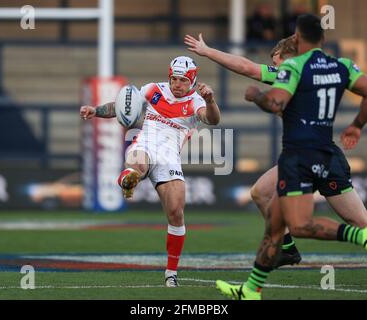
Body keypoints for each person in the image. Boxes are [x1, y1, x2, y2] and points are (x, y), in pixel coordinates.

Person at [216, 14, 367, 300]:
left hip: (301, 156)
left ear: (297, 39)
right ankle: (251, 289)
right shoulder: (342, 66)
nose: (274, 67)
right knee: (273, 219)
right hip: (325, 153)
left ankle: (359, 237)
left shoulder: (294, 67)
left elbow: (275, 102)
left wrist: (256, 96)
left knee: (303, 225)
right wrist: (357, 125)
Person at [184, 33, 367, 267]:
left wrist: (207, 51)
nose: (273, 67)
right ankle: (286, 250)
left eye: (275, 61)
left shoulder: (296, 74)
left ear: (288, 57)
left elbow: (247, 68)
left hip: (323, 157)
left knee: (359, 222)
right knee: (260, 192)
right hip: (300, 157)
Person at [80, 56, 221, 287]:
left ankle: (171, 273)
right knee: (138, 165)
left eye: (183, 80)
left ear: (192, 80)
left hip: (169, 157)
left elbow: (212, 119)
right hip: (145, 144)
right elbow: (122, 107)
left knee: (176, 213)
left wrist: (211, 100)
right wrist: (95, 110)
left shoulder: (197, 101)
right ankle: (129, 178)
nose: (177, 84)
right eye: (174, 78)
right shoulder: (153, 89)